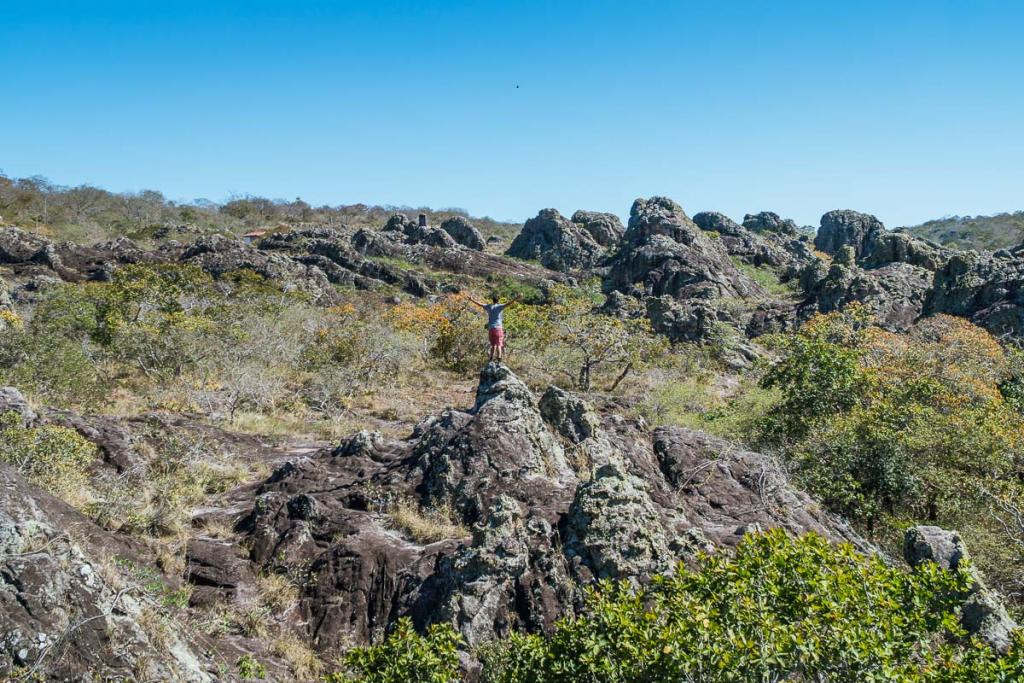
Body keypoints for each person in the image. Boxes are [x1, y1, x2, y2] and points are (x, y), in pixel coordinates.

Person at [467, 292, 518, 362]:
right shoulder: (500, 306)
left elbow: (479, 304)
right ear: (498, 300)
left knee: (493, 344)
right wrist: (517, 298)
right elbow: (509, 303)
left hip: (491, 328)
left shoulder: (488, 306)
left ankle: (491, 358)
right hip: (498, 327)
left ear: (492, 300)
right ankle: (499, 359)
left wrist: (471, 299)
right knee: (499, 344)